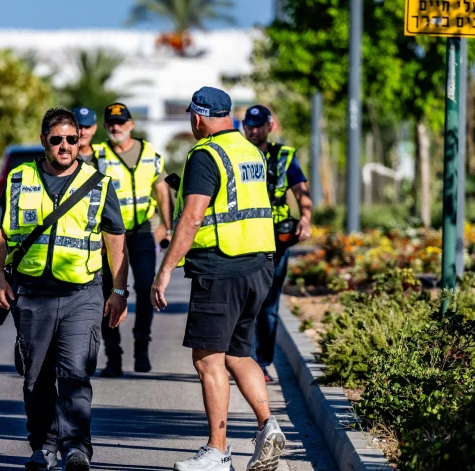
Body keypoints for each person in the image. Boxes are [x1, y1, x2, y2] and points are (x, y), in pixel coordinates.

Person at [0, 108, 130, 471]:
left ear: (80, 140)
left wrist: (119, 290)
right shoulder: (19, 179)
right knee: (36, 378)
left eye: (72, 139)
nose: (65, 146)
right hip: (32, 294)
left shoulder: (98, 183)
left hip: (82, 293)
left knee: (74, 374)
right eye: (57, 139)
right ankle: (43, 447)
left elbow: (115, 239)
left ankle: (76, 448)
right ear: (44, 141)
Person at [151, 87, 287, 471]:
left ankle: (218, 451)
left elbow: (192, 218)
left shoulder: (205, 154)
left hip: (221, 266)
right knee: (238, 353)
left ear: (197, 118)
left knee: (208, 359)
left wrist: (164, 272)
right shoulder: (251, 151)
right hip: (259, 264)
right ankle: (268, 426)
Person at [91, 102, 173, 377]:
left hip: (141, 232)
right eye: (111, 123)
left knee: (146, 288)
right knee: (109, 293)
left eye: (121, 122)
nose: (116, 127)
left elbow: (162, 192)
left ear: (131, 125)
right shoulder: (98, 156)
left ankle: (142, 349)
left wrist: (167, 227)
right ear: (105, 127)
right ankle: (113, 357)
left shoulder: (149, 153)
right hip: (108, 236)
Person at [242, 105, 313, 382]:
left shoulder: (284, 157)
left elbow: (302, 192)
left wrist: (305, 219)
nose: (254, 130)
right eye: (249, 124)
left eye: (259, 125)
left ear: (270, 126)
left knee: (269, 305)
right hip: (243, 238)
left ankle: (262, 363)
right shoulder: (237, 154)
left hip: (275, 240)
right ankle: (240, 359)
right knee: (245, 302)